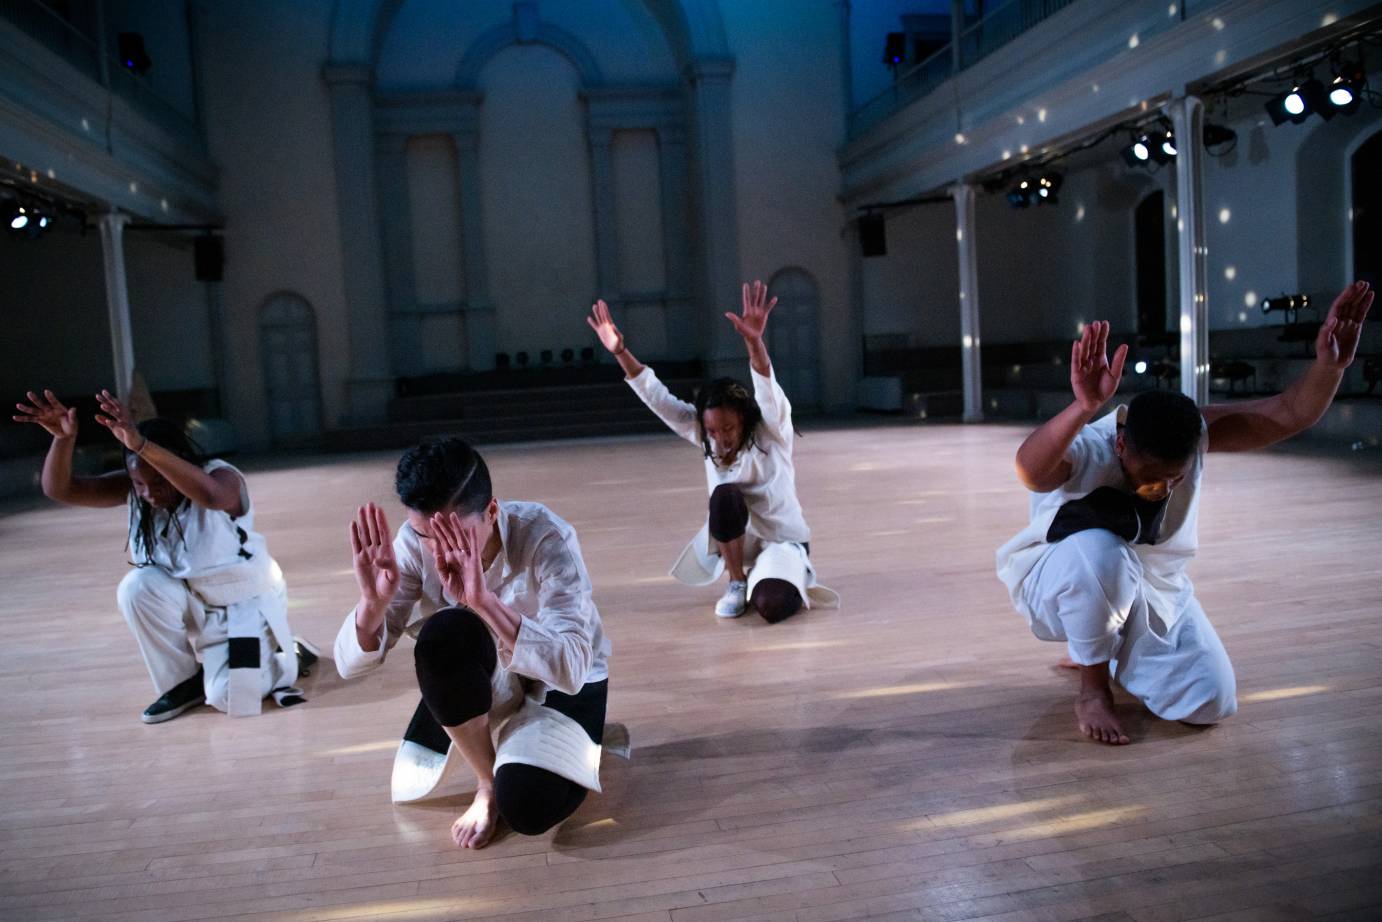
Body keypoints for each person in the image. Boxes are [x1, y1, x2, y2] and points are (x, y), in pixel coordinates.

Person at [997, 281, 1374, 744]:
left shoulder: (1191, 433)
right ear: (1121, 444)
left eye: (1175, 477)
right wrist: (1082, 406)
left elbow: (1288, 412)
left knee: (1208, 701)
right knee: (1101, 553)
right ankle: (1092, 686)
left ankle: (1106, 647)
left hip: (1152, 592)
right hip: (1056, 581)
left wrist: (1330, 367)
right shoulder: (1092, 447)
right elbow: (1030, 469)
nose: (1165, 486)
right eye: (1152, 474)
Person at [334, 437, 612, 849]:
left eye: (455, 536)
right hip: (495, 671)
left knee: (528, 807)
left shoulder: (545, 536)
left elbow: (572, 665)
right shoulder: (415, 544)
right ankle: (486, 779)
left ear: (492, 512)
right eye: (427, 536)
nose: (439, 550)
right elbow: (350, 665)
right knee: (442, 637)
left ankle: (470, 707)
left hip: (561, 679)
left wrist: (482, 601)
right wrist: (371, 605)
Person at [13, 388, 313, 722]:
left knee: (232, 696)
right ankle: (184, 683)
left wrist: (139, 443)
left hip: (245, 607)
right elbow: (60, 489)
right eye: (140, 483)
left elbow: (211, 497)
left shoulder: (221, 477)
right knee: (137, 586)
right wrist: (63, 439)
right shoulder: (137, 491)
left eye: (158, 482)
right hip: (192, 602)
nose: (149, 492)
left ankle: (289, 653)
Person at [586, 280, 837, 622]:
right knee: (724, 495)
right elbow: (656, 396)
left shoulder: (772, 429)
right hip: (739, 541)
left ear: (745, 420)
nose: (720, 438)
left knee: (771, 606)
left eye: (728, 429)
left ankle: (787, 575)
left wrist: (754, 341)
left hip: (783, 540)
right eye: (713, 431)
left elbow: (765, 382)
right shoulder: (705, 435)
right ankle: (736, 581)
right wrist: (619, 352)